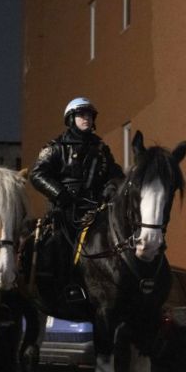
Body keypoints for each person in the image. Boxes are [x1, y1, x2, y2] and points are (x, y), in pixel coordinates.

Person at [28, 97, 124, 301]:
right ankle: (67, 286)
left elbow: (116, 174)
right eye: (81, 114)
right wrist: (59, 194)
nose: (86, 118)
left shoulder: (101, 148)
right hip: (65, 210)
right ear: (71, 119)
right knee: (60, 243)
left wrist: (110, 188)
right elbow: (37, 174)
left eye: (89, 114)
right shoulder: (55, 146)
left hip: (96, 209)